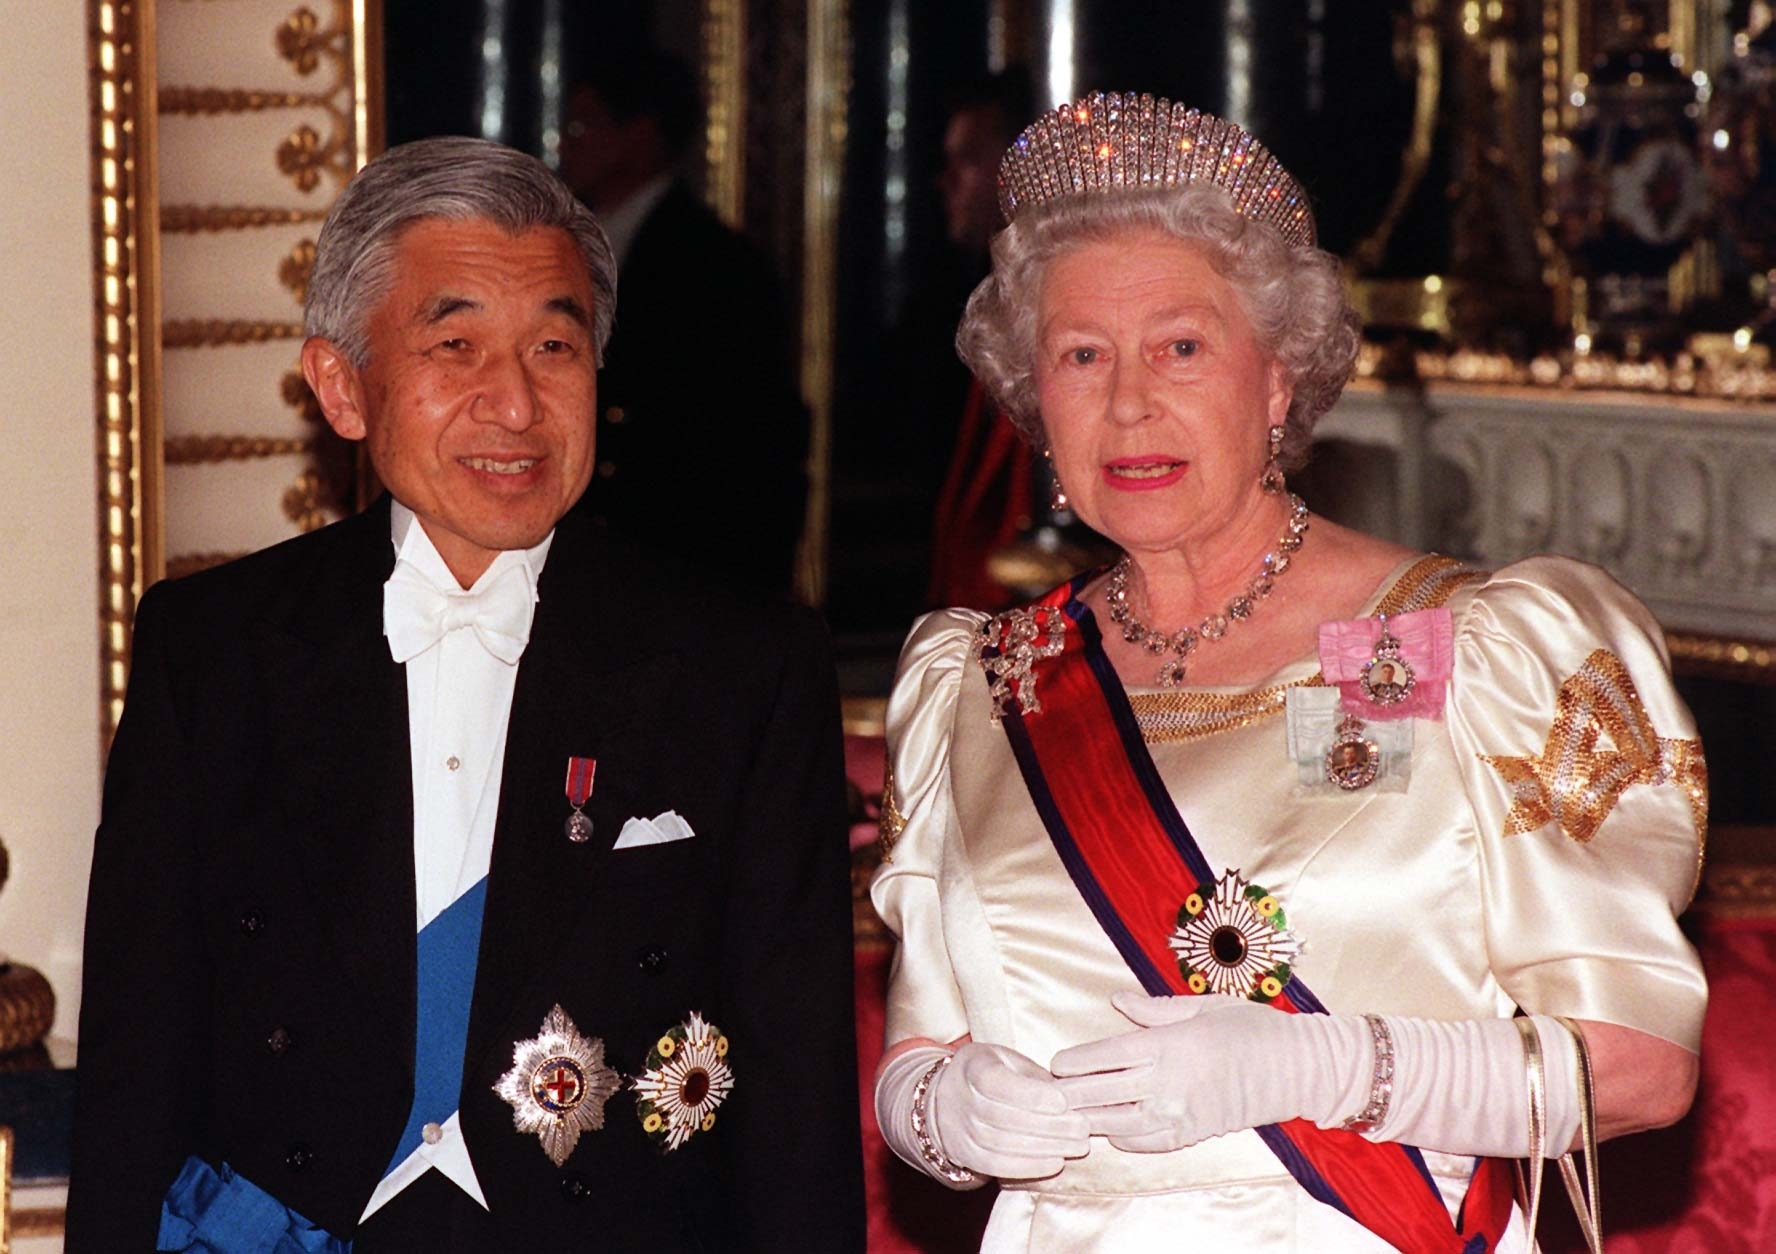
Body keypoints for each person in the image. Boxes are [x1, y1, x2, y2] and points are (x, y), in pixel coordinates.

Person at [870, 93, 1705, 1251]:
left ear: (1276, 383)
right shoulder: (982, 685)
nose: (1128, 402)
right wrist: (937, 1110)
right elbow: (922, 1040)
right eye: (1080, 355)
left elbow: (1641, 1070)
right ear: (1034, 401)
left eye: (1181, 346)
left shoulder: (1452, 645)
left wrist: (1321, 1062)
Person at [67, 136, 864, 1252]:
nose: (517, 404)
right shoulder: (215, 653)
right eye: (456, 345)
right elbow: (133, 1063)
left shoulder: (738, 665)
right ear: (342, 386)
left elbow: (797, 1095)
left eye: (554, 344)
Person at [557, 49, 809, 598]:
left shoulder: (717, 266)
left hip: (681, 574)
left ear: (641, 135)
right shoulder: (565, 251)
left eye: (584, 123)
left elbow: (749, 457)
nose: (565, 141)